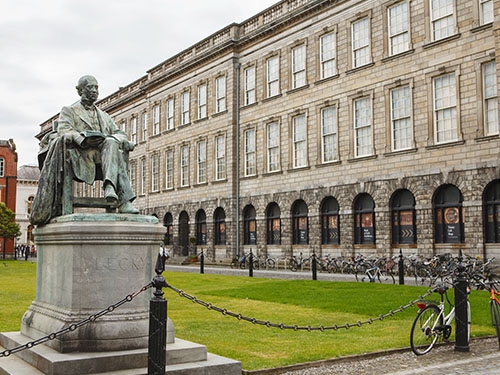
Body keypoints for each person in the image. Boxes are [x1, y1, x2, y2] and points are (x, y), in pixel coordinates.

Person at [30, 75, 138, 225]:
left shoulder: (104, 115)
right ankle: (122, 199)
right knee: (111, 146)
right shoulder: (69, 111)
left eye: (96, 87)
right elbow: (64, 131)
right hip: (80, 153)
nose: (94, 91)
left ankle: (111, 188)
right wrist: (82, 138)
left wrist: (113, 139)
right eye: (90, 87)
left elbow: (120, 134)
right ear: (80, 91)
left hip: (105, 154)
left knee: (112, 141)